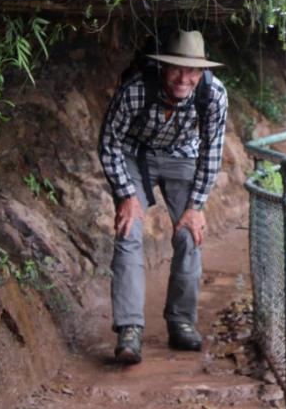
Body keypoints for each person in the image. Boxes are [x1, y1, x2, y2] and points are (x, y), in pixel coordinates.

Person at [98, 29, 228, 364]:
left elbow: (212, 151)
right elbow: (109, 142)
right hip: (133, 153)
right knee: (129, 231)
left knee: (189, 234)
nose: (184, 78)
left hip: (182, 156)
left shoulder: (213, 95)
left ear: (201, 72)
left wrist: (197, 206)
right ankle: (129, 329)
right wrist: (127, 194)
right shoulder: (137, 89)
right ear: (163, 68)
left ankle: (181, 321)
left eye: (192, 71)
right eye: (176, 69)